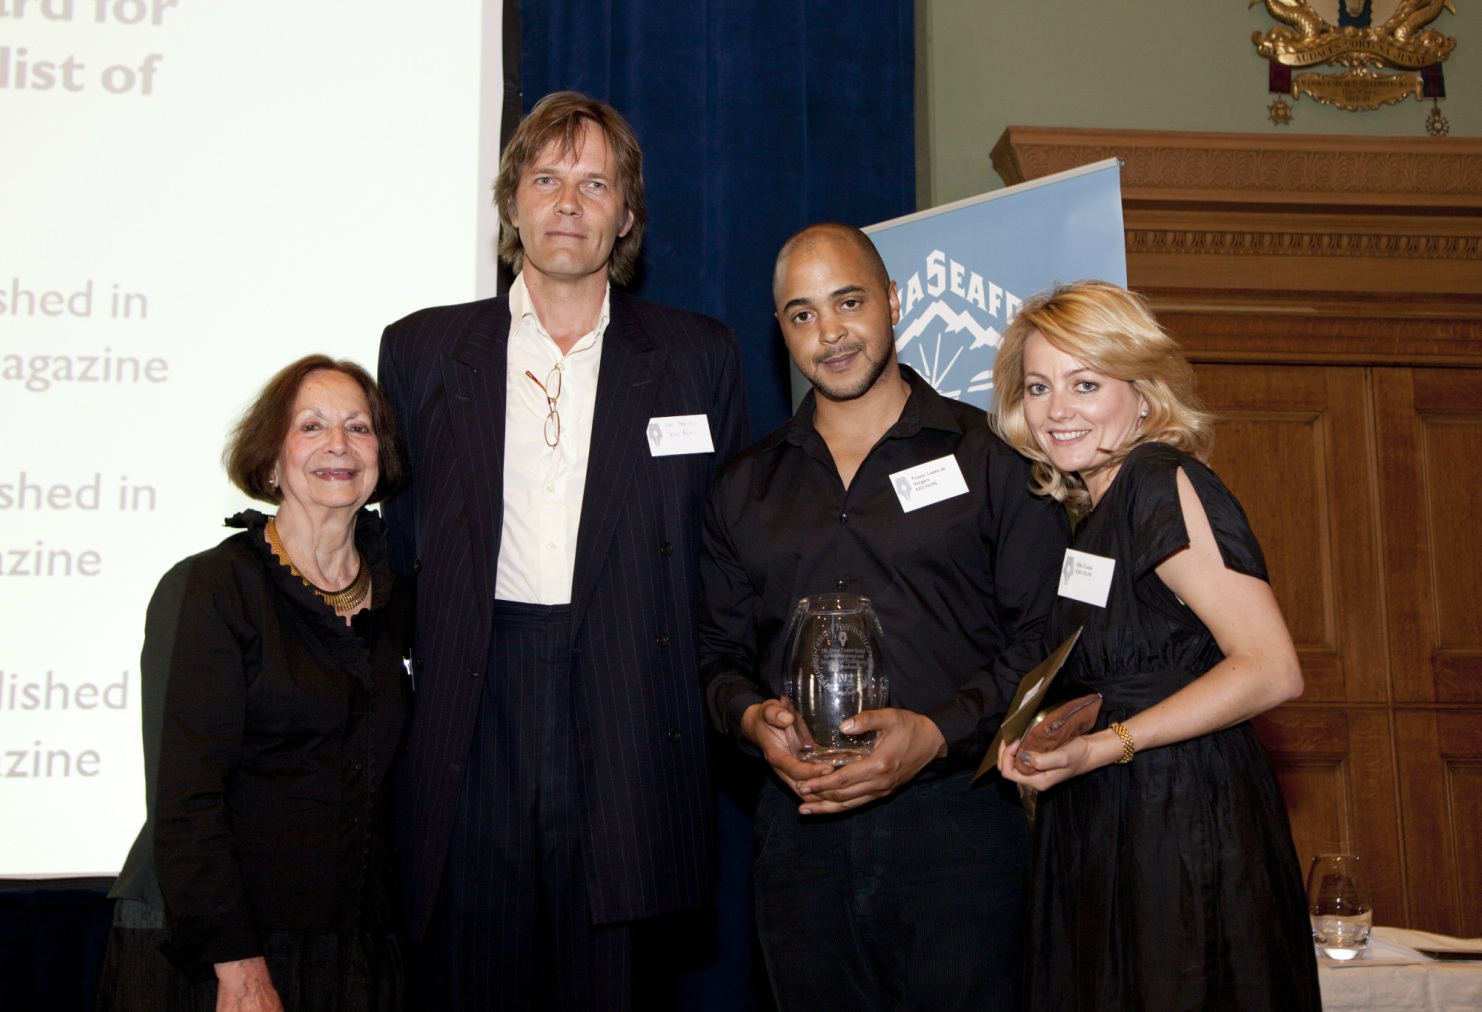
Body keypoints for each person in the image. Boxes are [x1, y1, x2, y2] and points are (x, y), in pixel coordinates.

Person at [378, 91, 749, 1009]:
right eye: (546, 180)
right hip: (472, 714)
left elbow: (729, 556)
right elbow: (394, 541)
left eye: (594, 183)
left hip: (633, 717)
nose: (569, 203)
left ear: (626, 213)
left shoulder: (699, 356)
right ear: (512, 203)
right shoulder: (422, 351)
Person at [699, 223, 1070, 1009]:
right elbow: (713, 657)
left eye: (848, 301)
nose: (829, 333)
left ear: (894, 301)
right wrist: (750, 718)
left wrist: (936, 733)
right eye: (801, 314)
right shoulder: (742, 488)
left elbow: (1044, 640)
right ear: (782, 333)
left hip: (962, 829)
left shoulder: (994, 457)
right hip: (802, 834)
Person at [990, 280, 1322, 1010]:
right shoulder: (1093, 510)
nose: (1056, 409)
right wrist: (1041, 737)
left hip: (1178, 824)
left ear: (1142, 393)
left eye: (1085, 383)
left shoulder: (1157, 482)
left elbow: (1270, 670)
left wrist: (1104, 746)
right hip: (1113, 821)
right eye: (1039, 386)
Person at [97, 355, 413, 1012]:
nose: (338, 445)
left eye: (359, 428)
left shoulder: (403, 600)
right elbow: (186, 798)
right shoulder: (214, 588)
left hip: (355, 948)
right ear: (271, 461)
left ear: (381, 457)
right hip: (218, 950)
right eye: (312, 426)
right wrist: (237, 965)